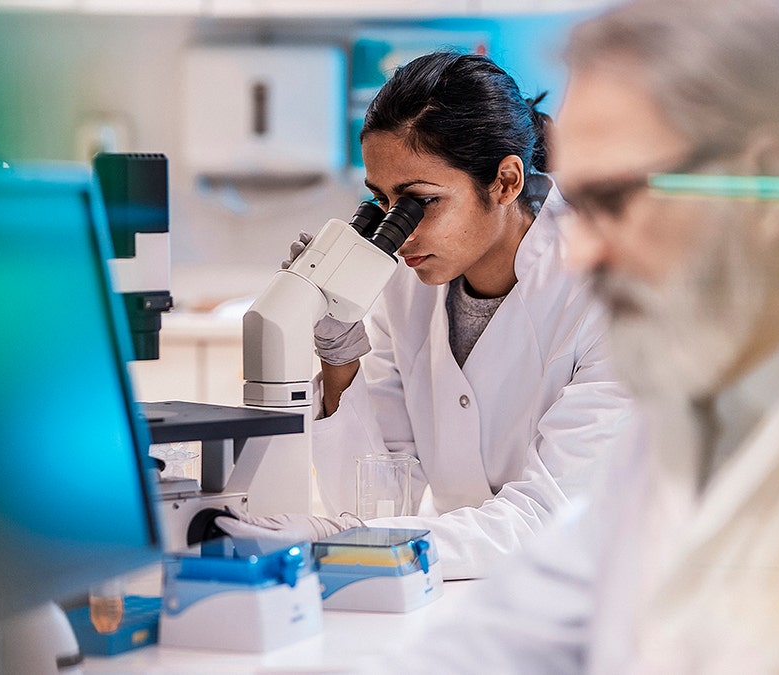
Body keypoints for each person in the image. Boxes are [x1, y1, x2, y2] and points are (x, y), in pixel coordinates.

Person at [369, 0, 779, 671]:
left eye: (611, 201)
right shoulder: (676, 426)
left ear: (767, 179)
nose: (579, 254)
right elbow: (505, 634)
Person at [219, 51, 634, 579]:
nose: (401, 231)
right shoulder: (404, 289)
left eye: (421, 202)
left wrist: (348, 538)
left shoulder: (610, 295)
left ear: (505, 182)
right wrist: (340, 356)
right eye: (382, 203)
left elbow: (546, 518)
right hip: (461, 583)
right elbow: (371, 501)